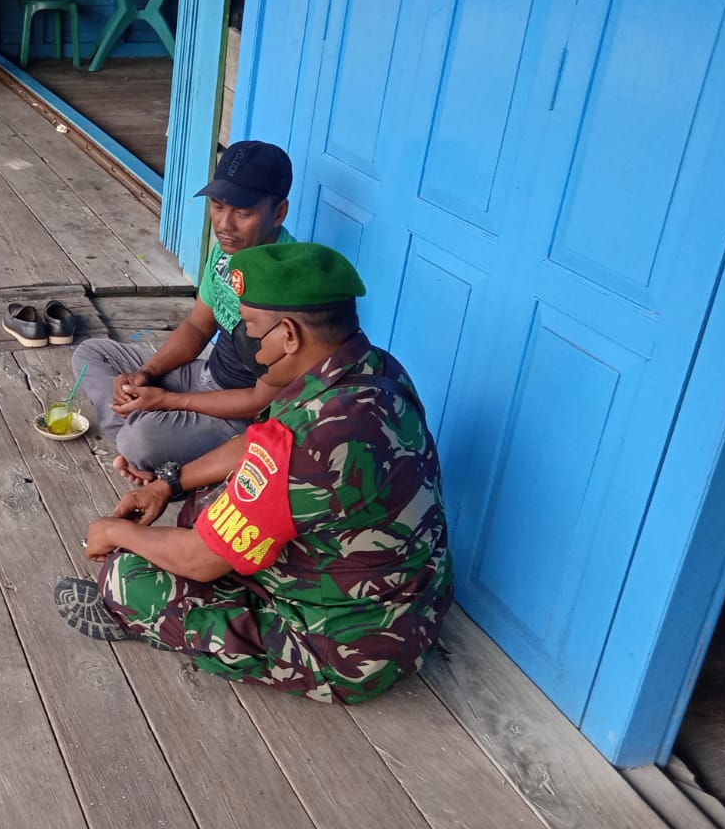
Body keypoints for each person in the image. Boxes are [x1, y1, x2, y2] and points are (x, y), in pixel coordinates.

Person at [58, 242, 453, 705]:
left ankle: (169, 627)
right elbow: (259, 440)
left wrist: (113, 532)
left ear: (288, 334)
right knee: (207, 504)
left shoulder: (311, 442)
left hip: (348, 651)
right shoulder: (374, 369)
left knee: (127, 575)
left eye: (248, 327)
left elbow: (199, 559)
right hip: (413, 604)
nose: (242, 336)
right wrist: (171, 482)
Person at [72, 140, 296, 479]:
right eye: (218, 207)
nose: (225, 225)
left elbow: (256, 401)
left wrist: (166, 401)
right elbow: (197, 326)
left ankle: (147, 451)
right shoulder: (227, 250)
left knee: (139, 440)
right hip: (204, 375)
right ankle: (151, 449)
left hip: (237, 414)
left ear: (278, 213)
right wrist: (146, 374)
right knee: (91, 353)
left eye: (243, 213)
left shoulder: (287, 283)